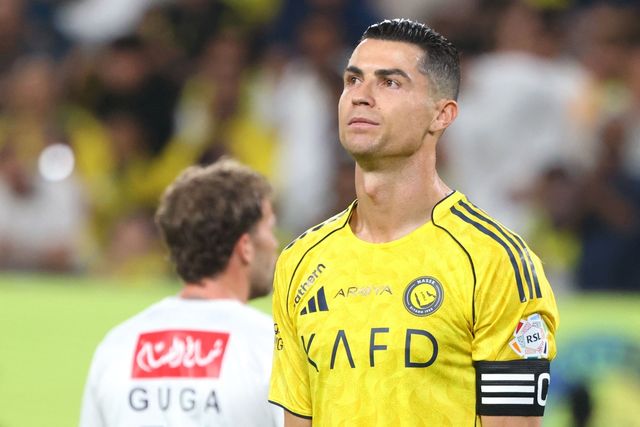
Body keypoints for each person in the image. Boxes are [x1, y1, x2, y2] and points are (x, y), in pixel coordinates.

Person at [268, 19, 559, 427]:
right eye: (353, 80)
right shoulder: (300, 262)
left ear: (441, 115)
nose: (360, 96)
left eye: (390, 83)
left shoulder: (495, 262)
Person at [80, 158, 283, 427]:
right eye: (269, 227)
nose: (275, 243)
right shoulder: (271, 347)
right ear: (245, 246)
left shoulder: (117, 346)